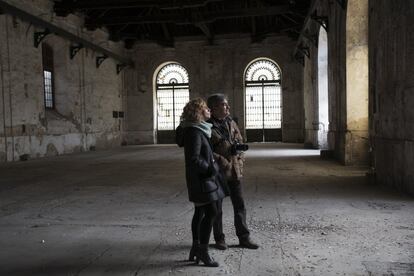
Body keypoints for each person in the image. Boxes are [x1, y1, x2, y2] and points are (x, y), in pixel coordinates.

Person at [176, 98, 226, 267]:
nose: (209, 111)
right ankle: (202, 252)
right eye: (206, 108)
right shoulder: (195, 132)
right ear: (198, 112)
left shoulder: (197, 129)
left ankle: (196, 247)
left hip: (199, 179)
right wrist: (210, 169)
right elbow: (194, 159)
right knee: (211, 212)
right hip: (202, 180)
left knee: (200, 212)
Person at [207, 93, 259, 250]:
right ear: (214, 108)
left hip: (235, 171)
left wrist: (240, 158)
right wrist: (222, 161)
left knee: (240, 205)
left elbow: (241, 142)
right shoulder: (207, 126)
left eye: (227, 104)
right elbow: (206, 151)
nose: (227, 107)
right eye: (224, 105)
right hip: (217, 173)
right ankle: (219, 239)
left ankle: (244, 237)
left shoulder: (231, 123)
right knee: (217, 208)